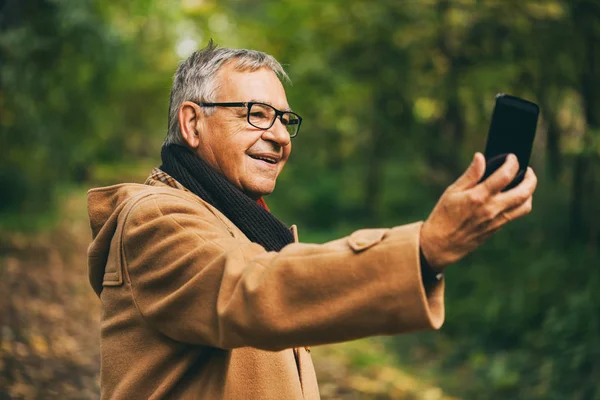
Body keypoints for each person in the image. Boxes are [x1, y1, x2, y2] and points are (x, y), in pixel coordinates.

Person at [86, 41, 537, 400]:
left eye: (285, 119)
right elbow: (253, 291)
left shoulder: (245, 226)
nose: (280, 135)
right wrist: (424, 247)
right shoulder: (156, 218)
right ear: (192, 124)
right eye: (256, 115)